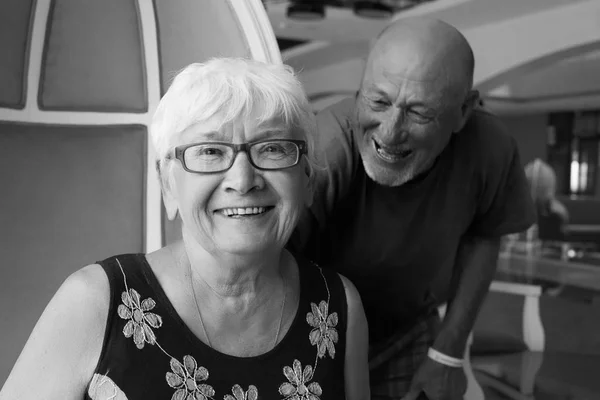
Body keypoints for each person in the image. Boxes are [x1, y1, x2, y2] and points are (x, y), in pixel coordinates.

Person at [0, 58, 370, 400]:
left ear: (306, 178)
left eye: (272, 148)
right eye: (210, 151)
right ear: (167, 185)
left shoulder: (339, 304)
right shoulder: (95, 301)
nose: (242, 180)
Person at [290, 17, 535, 400]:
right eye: (378, 101)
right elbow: (265, 267)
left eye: (419, 113)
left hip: (408, 331)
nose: (388, 134)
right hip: (309, 332)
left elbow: (484, 238)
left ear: (464, 112)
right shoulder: (325, 148)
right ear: (360, 90)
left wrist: (448, 352)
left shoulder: (490, 149)